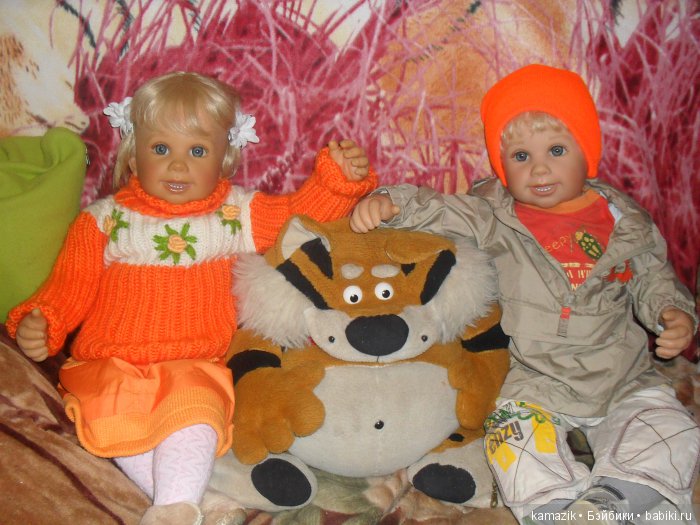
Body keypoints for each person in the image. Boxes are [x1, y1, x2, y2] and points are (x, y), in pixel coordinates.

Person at [7, 71, 376, 525]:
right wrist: (44, 320)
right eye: (161, 149)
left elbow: (299, 217)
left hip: (195, 362)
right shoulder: (103, 221)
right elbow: (69, 287)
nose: (178, 166)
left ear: (224, 159)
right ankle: (186, 502)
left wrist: (336, 182)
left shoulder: (235, 214)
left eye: (197, 151)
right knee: (115, 420)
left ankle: (175, 506)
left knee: (194, 414)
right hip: (112, 363)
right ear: (133, 154)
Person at [350, 64, 699, 525]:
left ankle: (613, 501)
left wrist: (673, 313)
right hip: (534, 381)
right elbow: (439, 209)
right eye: (519, 156)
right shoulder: (494, 215)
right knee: (510, 438)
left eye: (556, 149)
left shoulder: (626, 222)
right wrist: (391, 203)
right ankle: (554, 508)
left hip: (622, 376)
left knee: (671, 431)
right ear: (502, 166)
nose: (539, 168)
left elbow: (654, 277)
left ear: (587, 151)